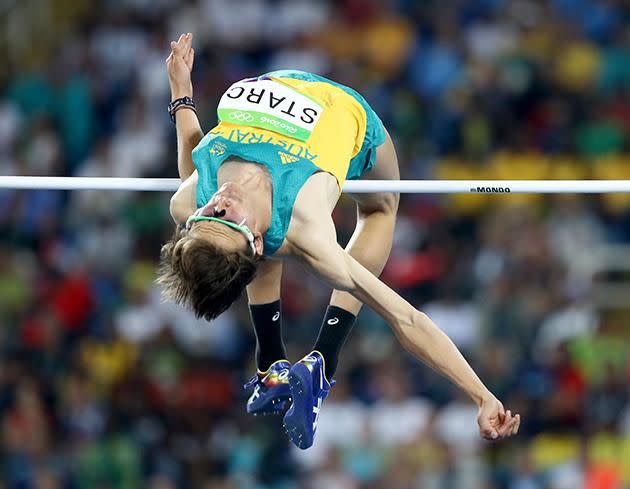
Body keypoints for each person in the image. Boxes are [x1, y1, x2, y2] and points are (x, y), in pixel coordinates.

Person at [159, 33, 521, 449]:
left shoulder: (189, 201)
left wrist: (181, 90)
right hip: (349, 115)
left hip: (273, 87)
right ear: (252, 240)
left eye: (209, 214)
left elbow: (192, 155)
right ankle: (323, 359)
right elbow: (406, 319)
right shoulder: (307, 226)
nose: (219, 202)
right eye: (226, 218)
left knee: (257, 238)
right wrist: (481, 394)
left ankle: (272, 364)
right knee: (381, 208)